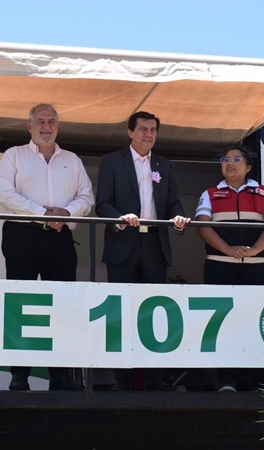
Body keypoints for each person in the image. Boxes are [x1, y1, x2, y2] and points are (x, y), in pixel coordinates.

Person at [0, 103, 95, 391]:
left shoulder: (72, 160)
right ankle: (19, 376)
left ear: (57, 126)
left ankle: (60, 376)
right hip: (21, 234)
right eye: (40, 121)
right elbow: (4, 194)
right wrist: (43, 213)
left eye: (51, 121)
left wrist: (66, 213)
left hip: (60, 237)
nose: (46, 126)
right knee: (20, 304)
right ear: (29, 126)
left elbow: (87, 197)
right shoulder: (14, 155)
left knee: (62, 305)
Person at [95, 111, 190, 391]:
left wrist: (179, 217)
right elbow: (102, 204)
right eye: (143, 129)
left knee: (153, 312)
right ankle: (122, 379)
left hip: (155, 245)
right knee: (121, 311)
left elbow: (173, 202)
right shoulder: (112, 161)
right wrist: (120, 218)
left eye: (153, 130)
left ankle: (154, 377)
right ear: (130, 132)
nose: (149, 134)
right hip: (123, 243)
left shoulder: (164, 165)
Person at [195, 145, 264, 392]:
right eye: (225, 159)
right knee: (224, 324)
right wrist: (227, 249)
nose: (230, 163)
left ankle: (262, 379)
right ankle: (227, 380)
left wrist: (255, 250)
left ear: (248, 167)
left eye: (236, 159)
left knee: (260, 322)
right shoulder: (210, 193)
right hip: (220, 266)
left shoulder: (263, 191)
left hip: (258, 267)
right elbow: (202, 226)